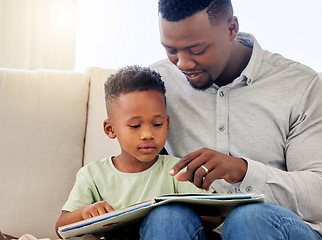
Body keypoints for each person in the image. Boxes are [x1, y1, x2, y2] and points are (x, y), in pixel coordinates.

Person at [139, 0, 322, 239]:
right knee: (167, 217)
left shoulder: (300, 85)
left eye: (197, 50)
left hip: (277, 227)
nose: (182, 64)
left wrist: (244, 171)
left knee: (249, 218)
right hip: (197, 228)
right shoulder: (158, 84)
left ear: (231, 28)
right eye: (171, 50)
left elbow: (318, 196)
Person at [55, 65, 214, 239]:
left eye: (157, 124)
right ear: (110, 129)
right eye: (135, 126)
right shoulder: (92, 175)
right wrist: (85, 212)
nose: (147, 134)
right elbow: (61, 227)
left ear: (167, 124)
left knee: (169, 216)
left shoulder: (177, 170)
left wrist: (177, 212)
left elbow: (215, 217)